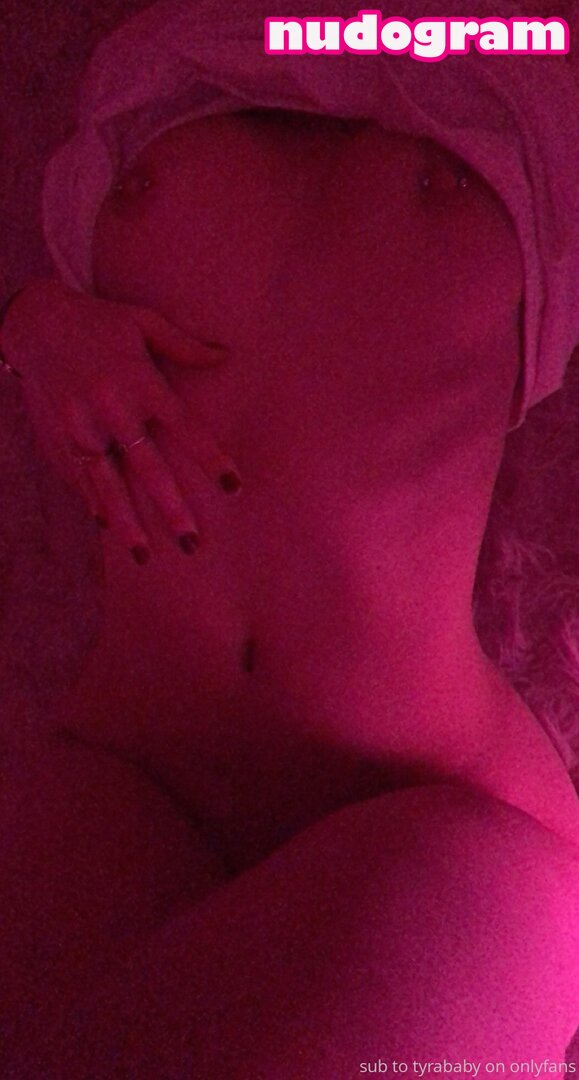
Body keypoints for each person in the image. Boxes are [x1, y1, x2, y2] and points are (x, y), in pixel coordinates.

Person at [0, 1, 578, 1075]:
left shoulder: (532, 67)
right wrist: (30, 324)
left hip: (430, 794)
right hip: (131, 767)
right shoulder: (151, 57)